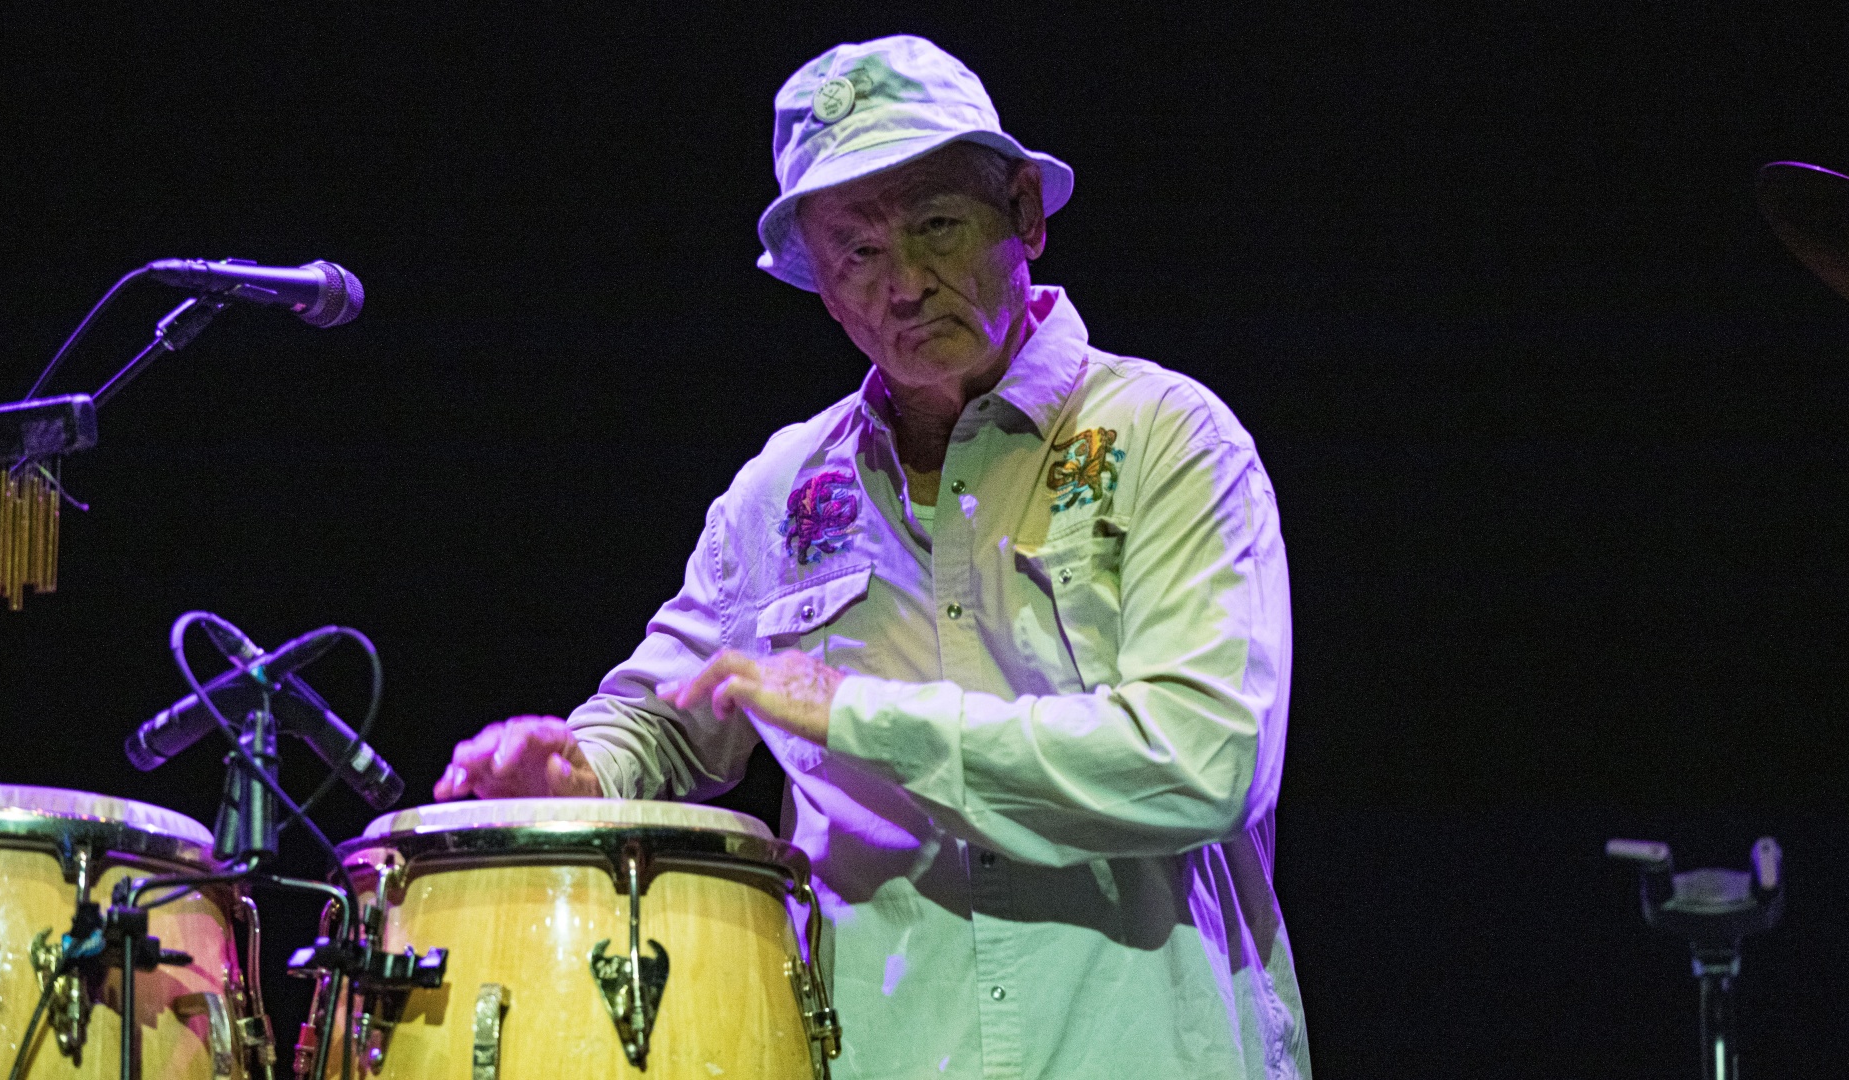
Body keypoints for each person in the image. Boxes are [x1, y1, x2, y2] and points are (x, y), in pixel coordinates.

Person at [435, 34, 1310, 1080]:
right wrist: (582, 769)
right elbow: (667, 715)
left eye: (937, 226)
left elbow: (1203, 761)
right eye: (856, 251)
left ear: (1027, 213)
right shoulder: (781, 491)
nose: (905, 284)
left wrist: (850, 710)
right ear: (818, 282)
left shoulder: (1168, 436)